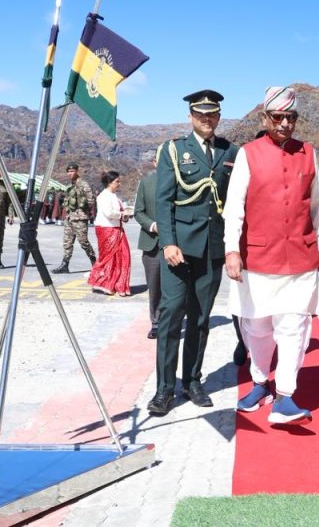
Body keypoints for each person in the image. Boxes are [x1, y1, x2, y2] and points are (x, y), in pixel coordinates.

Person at [225, 86, 319, 426]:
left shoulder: (308, 153)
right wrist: (232, 249)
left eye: (291, 117)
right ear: (265, 118)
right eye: (278, 117)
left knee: (294, 327)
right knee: (257, 327)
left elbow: (316, 205)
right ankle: (259, 383)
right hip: (258, 258)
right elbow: (234, 207)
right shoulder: (248, 153)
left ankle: (285, 397)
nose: (285, 124)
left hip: (300, 257)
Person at [148, 90, 238, 415]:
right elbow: (163, 201)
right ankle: (164, 389)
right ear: (190, 117)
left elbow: (235, 201)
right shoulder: (174, 150)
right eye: (200, 114)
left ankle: (192, 381)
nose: (206, 119)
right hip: (179, 249)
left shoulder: (230, 151)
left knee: (200, 319)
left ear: (219, 116)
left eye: (212, 114)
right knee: (171, 317)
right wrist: (168, 242)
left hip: (212, 249)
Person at [133, 148, 164, 338]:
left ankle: (172, 320)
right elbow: (138, 211)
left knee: (176, 287)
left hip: (177, 244)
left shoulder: (183, 182)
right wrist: (153, 226)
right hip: (152, 243)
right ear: (155, 162)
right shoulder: (146, 183)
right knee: (154, 286)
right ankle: (157, 322)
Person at [88, 170, 132, 296]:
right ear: (109, 182)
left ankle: (116, 284)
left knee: (122, 256)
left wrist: (124, 216)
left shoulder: (114, 196)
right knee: (108, 258)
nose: (119, 184)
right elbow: (109, 213)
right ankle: (103, 283)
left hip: (116, 229)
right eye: (117, 182)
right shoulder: (103, 196)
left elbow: (117, 213)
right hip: (107, 229)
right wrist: (122, 214)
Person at [51, 162, 96, 274]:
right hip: (70, 218)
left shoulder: (83, 184)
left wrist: (83, 208)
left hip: (80, 218)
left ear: (77, 171)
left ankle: (95, 262)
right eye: (68, 172)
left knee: (83, 242)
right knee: (67, 242)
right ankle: (65, 265)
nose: (70, 173)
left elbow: (91, 200)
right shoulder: (69, 186)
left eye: (72, 171)